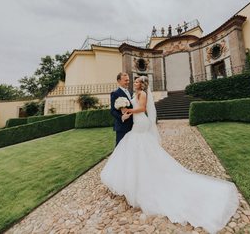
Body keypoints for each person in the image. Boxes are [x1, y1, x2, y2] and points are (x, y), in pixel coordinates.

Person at [101, 76, 239, 233]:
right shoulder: (134, 93)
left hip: (140, 122)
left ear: (142, 84)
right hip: (137, 122)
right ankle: (141, 172)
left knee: (137, 144)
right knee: (136, 145)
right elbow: (119, 109)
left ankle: (142, 175)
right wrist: (124, 111)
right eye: (134, 80)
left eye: (137, 81)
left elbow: (143, 109)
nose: (135, 82)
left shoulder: (143, 94)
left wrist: (130, 110)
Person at [110, 72, 133, 146]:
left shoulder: (130, 92)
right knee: (120, 148)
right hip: (122, 126)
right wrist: (122, 117)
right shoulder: (115, 93)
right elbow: (112, 111)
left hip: (133, 125)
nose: (128, 82)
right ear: (119, 81)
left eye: (128, 80)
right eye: (125, 80)